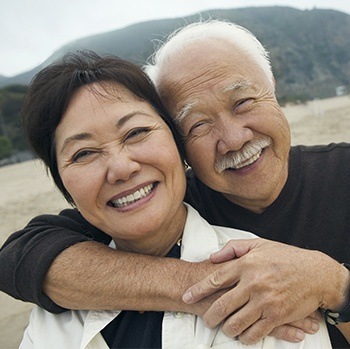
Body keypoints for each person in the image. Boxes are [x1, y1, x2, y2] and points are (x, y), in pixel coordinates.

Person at [1, 20, 349, 347]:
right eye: (197, 125)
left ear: (272, 89)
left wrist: (332, 283)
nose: (233, 139)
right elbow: (23, 255)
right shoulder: (159, 203)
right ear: (179, 144)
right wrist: (210, 285)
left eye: (242, 102)